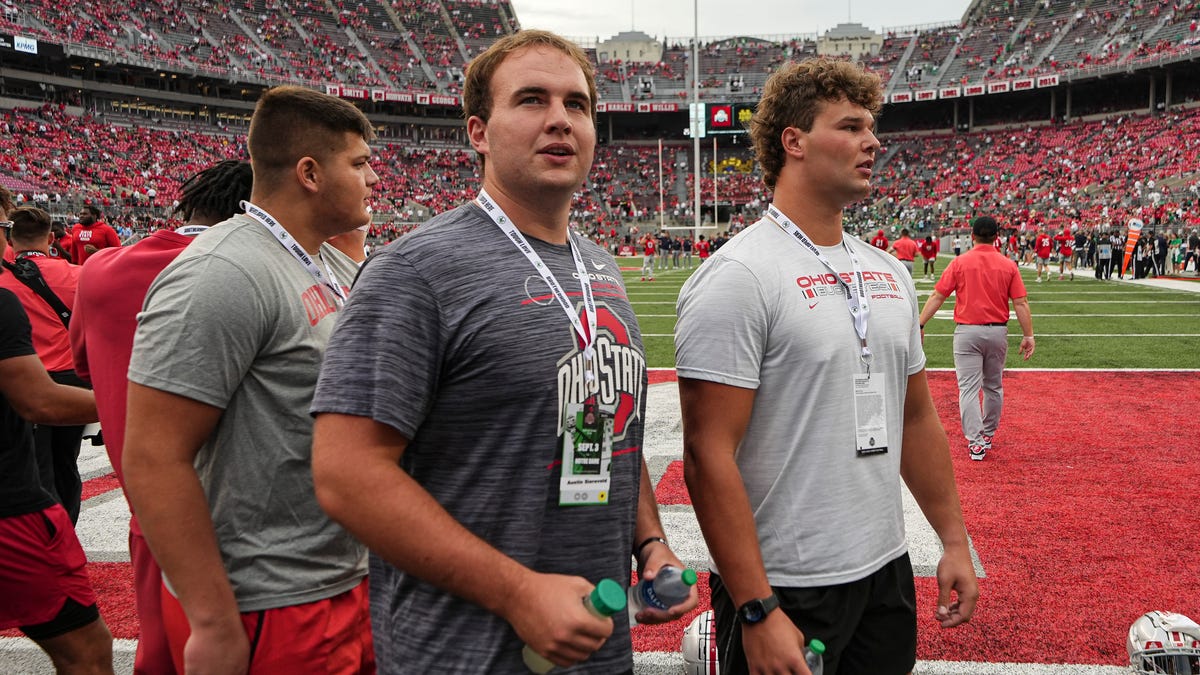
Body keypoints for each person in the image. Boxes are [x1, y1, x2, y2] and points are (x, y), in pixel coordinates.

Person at [310, 29, 695, 674]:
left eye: (577, 105)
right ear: (478, 131)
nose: (559, 121)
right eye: (531, 100)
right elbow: (346, 475)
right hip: (462, 654)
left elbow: (607, 424)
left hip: (593, 646)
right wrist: (518, 592)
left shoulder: (597, 266)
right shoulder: (416, 270)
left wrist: (649, 542)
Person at [675, 57, 977, 675]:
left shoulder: (890, 272)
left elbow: (915, 419)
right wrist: (756, 608)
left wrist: (952, 539)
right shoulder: (739, 275)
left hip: (885, 569)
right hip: (786, 580)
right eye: (850, 126)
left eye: (871, 126)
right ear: (794, 142)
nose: (872, 141)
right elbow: (708, 456)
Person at [122, 87, 377, 675]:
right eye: (359, 164)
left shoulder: (324, 258)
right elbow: (154, 455)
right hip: (270, 599)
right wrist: (212, 621)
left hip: (342, 578)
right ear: (310, 173)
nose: (372, 179)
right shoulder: (223, 272)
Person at [69, 160, 253, 675]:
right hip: (251, 516)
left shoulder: (102, 268)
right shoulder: (255, 268)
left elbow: (83, 363)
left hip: (150, 511)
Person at [0, 286, 112, 674]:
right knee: (86, 652)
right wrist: (129, 402)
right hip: (10, 508)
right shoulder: (67, 276)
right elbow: (39, 400)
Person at [918, 215, 1035, 461]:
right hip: (997, 330)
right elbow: (1021, 302)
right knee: (993, 386)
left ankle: (976, 442)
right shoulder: (1008, 265)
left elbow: (938, 296)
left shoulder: (960, 263)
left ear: (972, 236)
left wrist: (920, 323)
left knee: (968, 389)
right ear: (996, 237)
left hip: (967, 331)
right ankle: (988, 433)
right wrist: (1028, 335)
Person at [0, 206, 87, 523]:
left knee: (35, 470)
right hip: (71, 381)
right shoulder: (77, 274)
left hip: (23, 381)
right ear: (51, 237)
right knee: (66, 463)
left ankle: (50, 537)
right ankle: (68, 532)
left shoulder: (3, 281)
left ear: (10, 238)